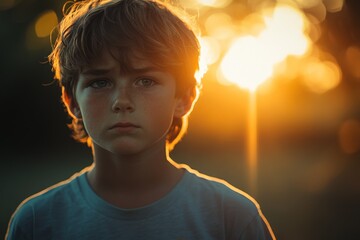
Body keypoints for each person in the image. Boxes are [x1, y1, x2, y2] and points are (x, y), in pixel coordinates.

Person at [6, 0, 276, 239]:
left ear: (184, 97)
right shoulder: (36, 222)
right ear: (72, 101)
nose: (121, 101)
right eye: (100, 82)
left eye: (145, 80)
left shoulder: (233, 218)